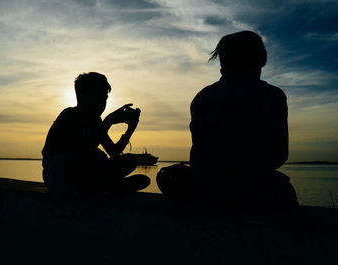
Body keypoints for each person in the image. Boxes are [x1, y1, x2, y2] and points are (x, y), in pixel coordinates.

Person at [157, 31, 298, 209]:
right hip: (249, 190)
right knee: (283, 193)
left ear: (223, 62)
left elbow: (201, 152)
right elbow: (277, 154)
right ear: (261, 59)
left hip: (206, 188)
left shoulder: (203, 97)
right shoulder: (271, 96)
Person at [42, 72, 150, 196]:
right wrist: (108, 121)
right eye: (99, 97)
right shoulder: (69, 115)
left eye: (105, 99)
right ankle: (112, 185)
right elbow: (80, 150)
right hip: (62, 176)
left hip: (87, 174)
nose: (103, 103)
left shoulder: (96, 121)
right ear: (83, 96)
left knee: (129, 161)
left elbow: (113, 151)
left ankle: (109, 184)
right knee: (93, 158)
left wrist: (131, 128)